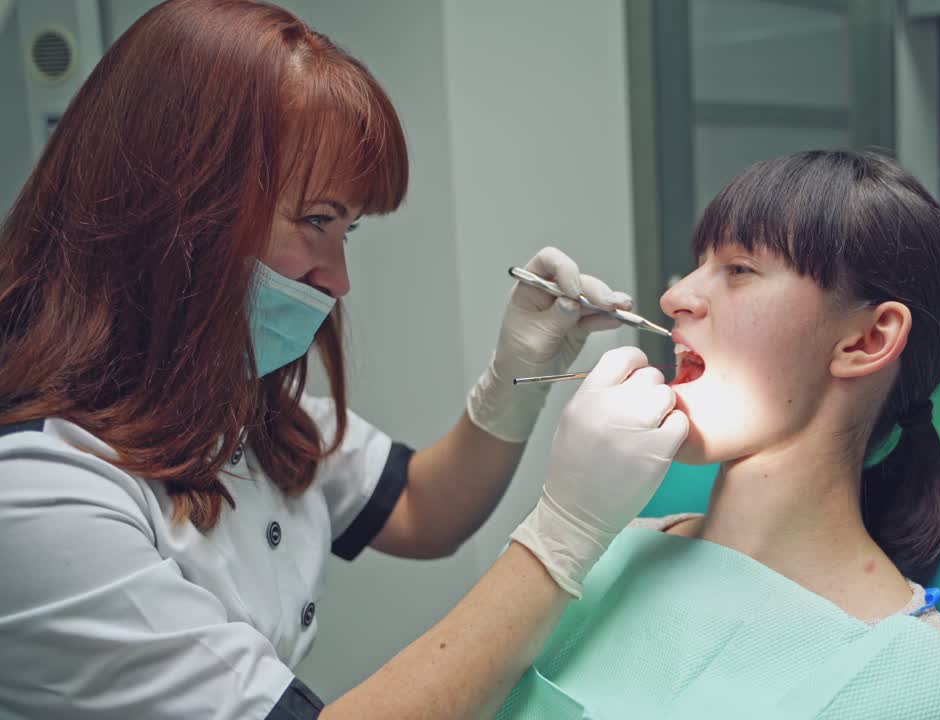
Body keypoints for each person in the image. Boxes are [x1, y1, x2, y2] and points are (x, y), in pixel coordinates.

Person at [0, 1, 686, 718]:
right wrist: (562, 539)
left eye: (346, 232)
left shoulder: (232, 408)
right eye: (316, 221)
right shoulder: (37, 495)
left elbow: (424, 508)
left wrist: (515, 375)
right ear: (175, 204)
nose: (338, 279)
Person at [495, 151, 940, 719]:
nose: (673, 299)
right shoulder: (580, 554)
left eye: (740, 269)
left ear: (867, 340)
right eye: (698, 264)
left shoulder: (930, 695)